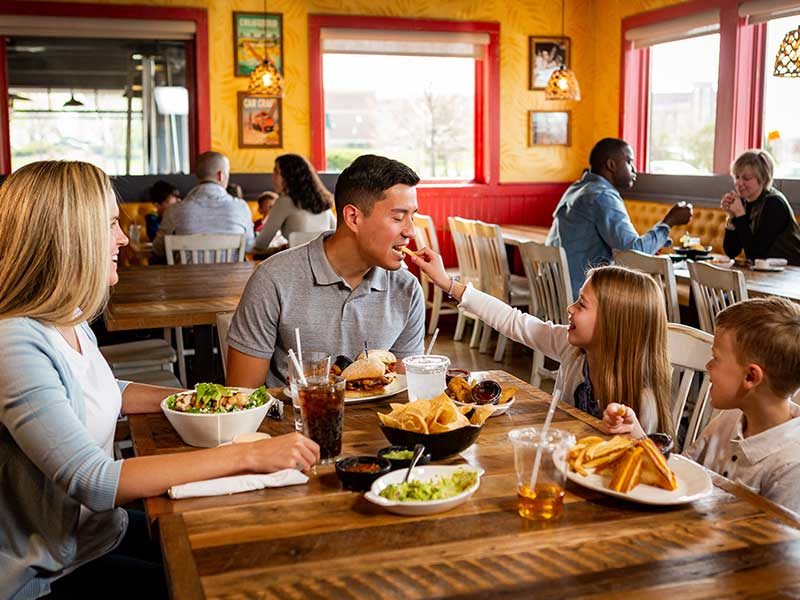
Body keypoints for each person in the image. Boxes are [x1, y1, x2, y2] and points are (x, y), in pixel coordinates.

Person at [0, 161, 320, 600]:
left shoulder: (67, 319)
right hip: (48, 571)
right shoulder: (14, 343)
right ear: (67, 235)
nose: (121, 238)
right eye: (110, 224)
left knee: (244, 547)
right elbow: (94, 482)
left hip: (98, 535)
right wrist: (252, 456)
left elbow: (104, 391)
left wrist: (207, 400)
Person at [412, 249, 674, 436]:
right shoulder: (572, 348)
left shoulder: (643, 400)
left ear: (613, 324)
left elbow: (645, 459)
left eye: (581, 304)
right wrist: (447, 283)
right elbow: (513, 321)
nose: (569, 308)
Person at [226, 154, 426, 388]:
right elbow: (242, 394)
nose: (411, 231)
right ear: (353, 217)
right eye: (399, 217)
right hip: (293, 423)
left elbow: (402, 394)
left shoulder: (408, 289)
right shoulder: (273, 280)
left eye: (413, 217)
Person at [603, 297, 800, 514]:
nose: (707, 366)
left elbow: (776, 544)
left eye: (715, 358)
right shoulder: (729, 417)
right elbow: (681, 473)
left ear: (751, 376)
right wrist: (637, 435)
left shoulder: (791, 467)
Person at [546, 137, 693, 298]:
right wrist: (669, 222)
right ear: (611, 165)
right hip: (583, 298)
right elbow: (635, 255)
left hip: (553, 290)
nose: (634, 170)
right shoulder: (602, 196)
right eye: (629, 162)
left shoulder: (576, 188)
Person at [152, 151, 255, 258]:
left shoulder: (174, 211)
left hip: (186, 275)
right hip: (233, 275)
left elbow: (158, 249)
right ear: (220, 175)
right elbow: (249, 246)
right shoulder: (241, 208)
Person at [721, 149, 800, 265]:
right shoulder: (744, 201)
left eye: (746, 178)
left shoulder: (775, 204)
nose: (739, 183)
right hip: (765, 273)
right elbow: (731, 251)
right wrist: (732, 217)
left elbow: (756, 255)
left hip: (790, 273)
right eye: (737, 177)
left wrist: (740, 215)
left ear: (763, 179)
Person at [253, 154, 336, 251]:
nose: (273, 176)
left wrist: (280, 250)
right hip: (324, 263)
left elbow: (260, 244)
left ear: (289, 176)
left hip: (297, 264)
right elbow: (335, 233)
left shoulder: (284, 202)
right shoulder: (323, 201)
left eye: (276, 171)